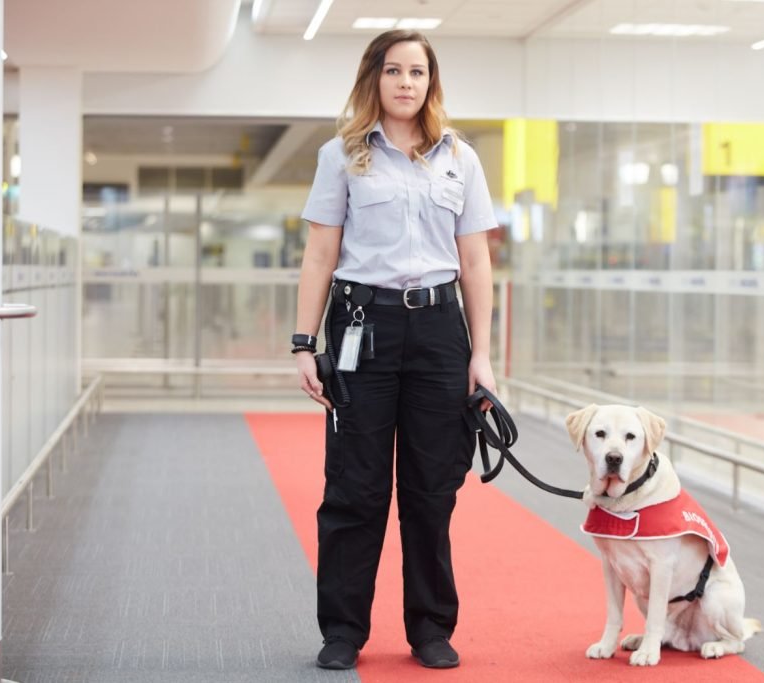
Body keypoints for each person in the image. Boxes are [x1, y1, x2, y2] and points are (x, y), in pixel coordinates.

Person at [292, 29, 497, 671]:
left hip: (440, 333)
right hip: (363, 326)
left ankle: (431, 627)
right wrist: (304, 343)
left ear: (430, 82)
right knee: (355, 487)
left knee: (432, 490)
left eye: (418, 72)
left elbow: (476, 261)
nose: (406, 83)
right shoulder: (342, 155)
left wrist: (481, 356)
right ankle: (343, 631)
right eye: (394, 71)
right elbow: (321, 252)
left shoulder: (459, 158)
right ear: (373, 78)